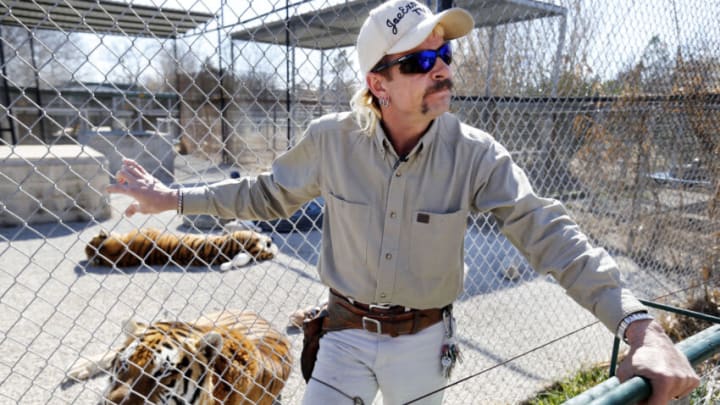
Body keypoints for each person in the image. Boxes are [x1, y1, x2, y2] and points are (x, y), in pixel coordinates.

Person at [107, 1, 699, 404]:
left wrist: (639, 326)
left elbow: (544, 229)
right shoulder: (331, 141)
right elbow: (264, 193)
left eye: (444, 56)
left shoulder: (475, 153)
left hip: (424, 340)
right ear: (378, 84)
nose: (440, 68)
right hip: (342, 332)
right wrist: (173, 197)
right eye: (419, 60)